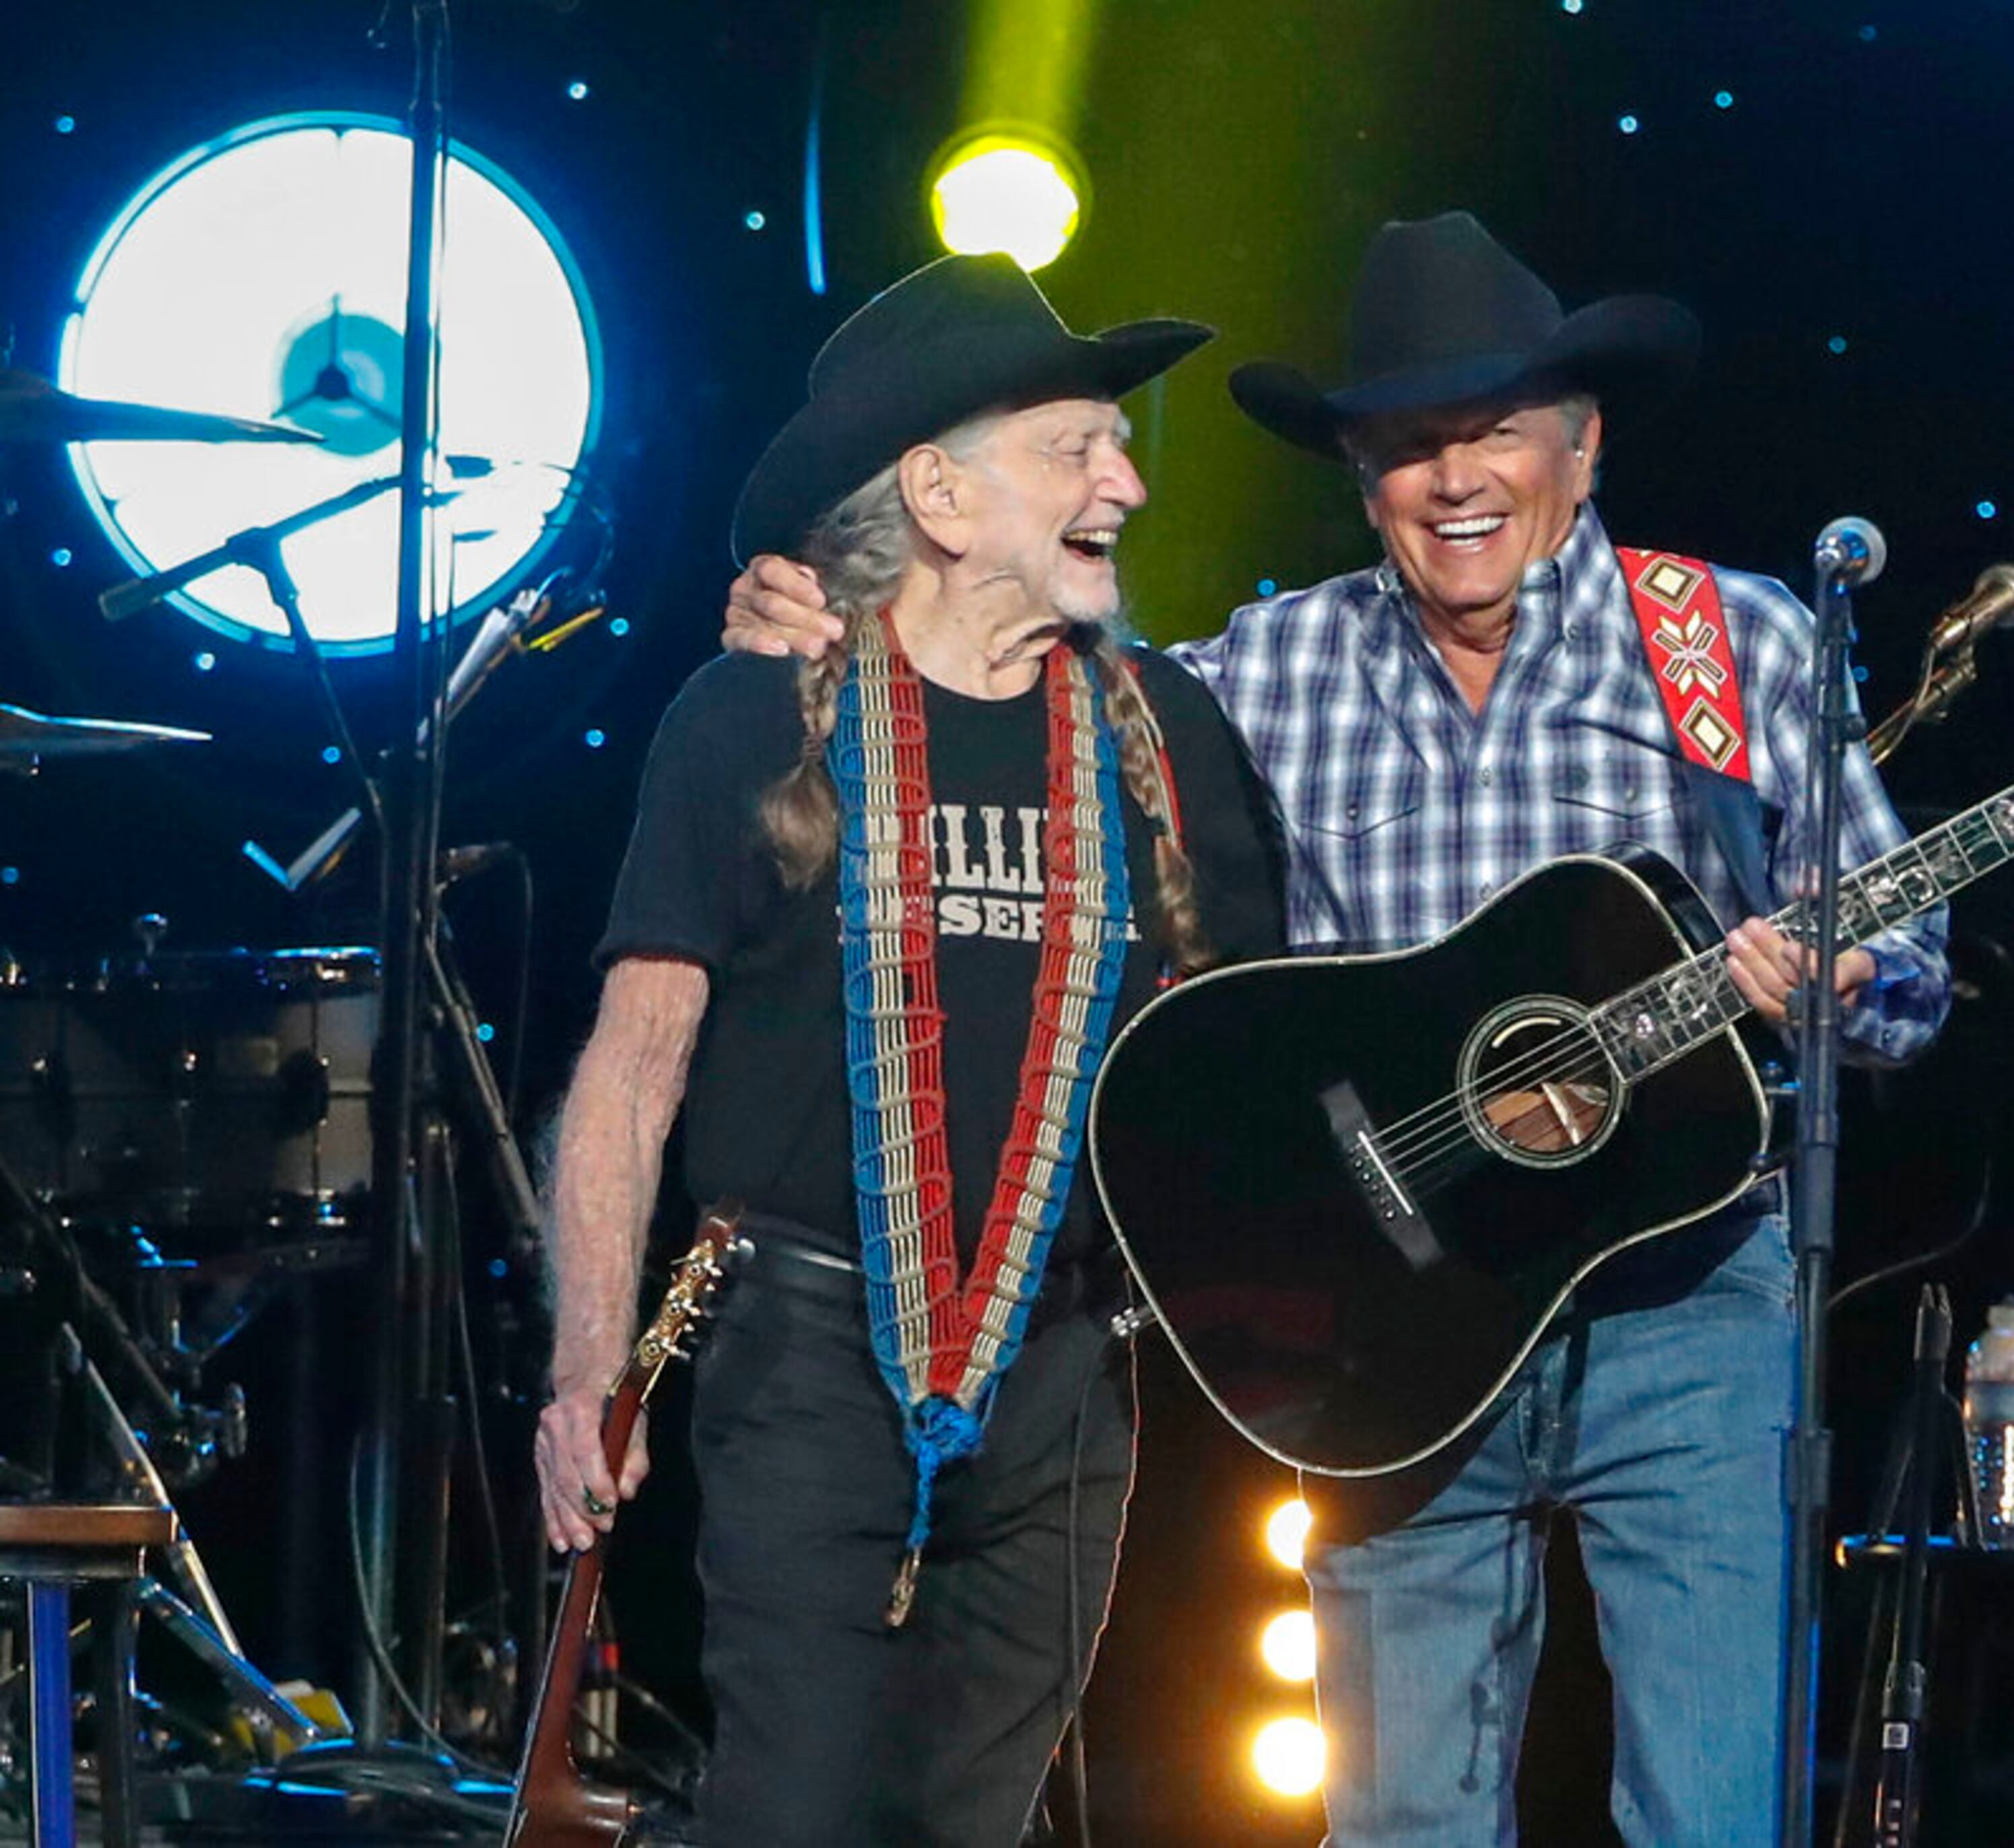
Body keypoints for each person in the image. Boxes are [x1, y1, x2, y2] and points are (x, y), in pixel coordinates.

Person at [725, 211, 1950, 1845]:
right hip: (1398, 1319)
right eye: (1404, 445)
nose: (1452, 481)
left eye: (1492, 433)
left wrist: (1851, 979)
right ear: (1358, 473)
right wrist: (819, 629)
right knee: (1398, 1824)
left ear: (1576, 444)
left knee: (1713, 1814)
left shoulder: (1730, 644)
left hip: (1684, 1307)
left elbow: (1899, 936)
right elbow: (1004, 693)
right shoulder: (1267, 667)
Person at [536, 251, 1285, 1848]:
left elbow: (1242, 1063)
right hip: (805, 1355)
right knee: (791, 1818)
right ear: (938, 495)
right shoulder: (748, 720)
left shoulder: (1176, 740)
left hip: (1067, 1368)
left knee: (974, 1825)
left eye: (1119, 443)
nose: (1127, 483)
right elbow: (633, 1063)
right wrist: (585, 1375)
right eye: (1076, 443)